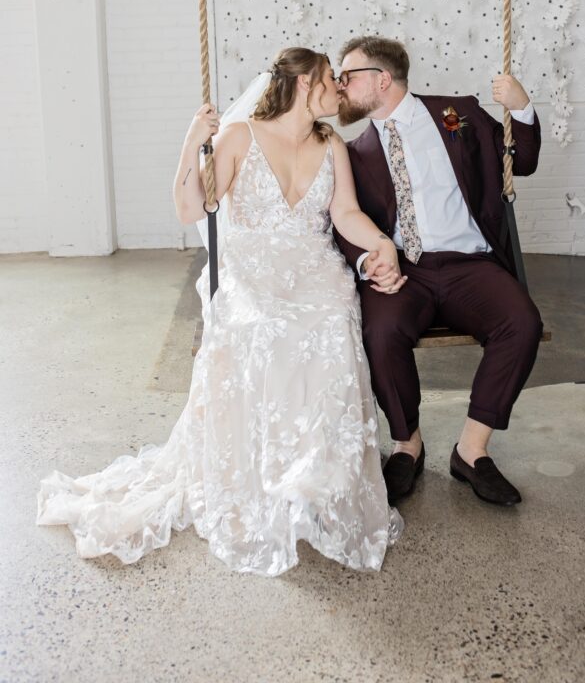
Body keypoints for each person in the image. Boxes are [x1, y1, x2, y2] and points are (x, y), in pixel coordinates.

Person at [36, 48, 404, 576]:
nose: (340, 91)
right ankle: (266, 478)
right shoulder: (239, 137)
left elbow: (345, 214)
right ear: (304, 84)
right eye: (331, 81)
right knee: (267, 325)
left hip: (313, 266)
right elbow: (192, 209)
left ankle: (316, 480)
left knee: (330, 319)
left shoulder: (332, 145)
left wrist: (381, 245)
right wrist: (192, 143)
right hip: (252, 268)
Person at [333, 36, 544, 507]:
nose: (339, 85)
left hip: (470, 264)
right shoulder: (353, 151)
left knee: (522, 323)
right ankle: (408, 443)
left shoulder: (457, 114)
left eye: (347, 76)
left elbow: (521, 162)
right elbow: (344, 218)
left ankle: (471, 450)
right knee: (380, 331)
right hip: (406, 268)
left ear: (381, 79)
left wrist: (523, 107)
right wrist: (370, 261)